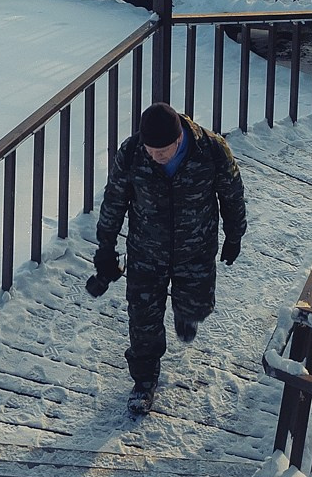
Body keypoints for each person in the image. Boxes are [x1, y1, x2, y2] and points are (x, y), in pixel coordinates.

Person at [85, 97, 247, 414]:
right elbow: (115, 199)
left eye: (163, 152)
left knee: (196, 305)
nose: (157, 157)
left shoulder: (212, 150)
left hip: (195, 250)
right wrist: (105, 247)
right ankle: (144, 382)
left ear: (179, 139)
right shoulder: (132, 153)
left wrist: (234, 235)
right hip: (146, 251)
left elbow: (232, 193)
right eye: (151, 151)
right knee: (143, 320)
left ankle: (188, 315)